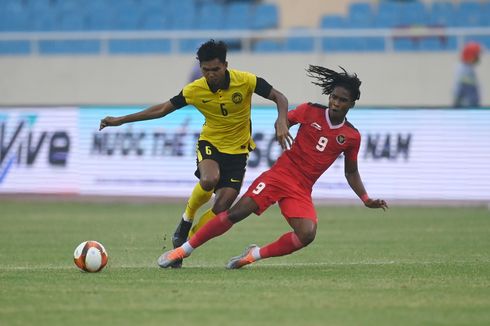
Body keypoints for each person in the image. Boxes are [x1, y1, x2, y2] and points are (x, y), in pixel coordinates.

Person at [157, 65, 388, 269]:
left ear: (352, 104)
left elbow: (351, 172)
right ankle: (181, 251)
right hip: (279, 175)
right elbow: (285, 118)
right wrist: (282, 123)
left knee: (307, 234)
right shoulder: (309, 110)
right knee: (236, 213)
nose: (336, 103)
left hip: (301, 188)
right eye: (334, 97)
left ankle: (252, 255)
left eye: (342, 100)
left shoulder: (351, 136)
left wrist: (365, 198)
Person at [99, 39, 290, 268]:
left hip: (238, 151)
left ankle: (183, 246)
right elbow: (162, 109)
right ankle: (186, 217)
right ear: (201, 68)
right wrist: (120, 120)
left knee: (221, 209)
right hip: (211, 144)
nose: (211, 75)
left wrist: (282, 120)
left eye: (216, 69)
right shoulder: (194, 90)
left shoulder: (246, 81)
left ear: (226, 65)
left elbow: (280, 97)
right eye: (206, 70)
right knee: (209, 179)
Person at [453, 41, 482, 107]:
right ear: (470, 55)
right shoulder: (465, 71)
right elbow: (469, 95)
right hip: (466, 110)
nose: (478, 57)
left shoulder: (468, 68)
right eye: (476, 55)